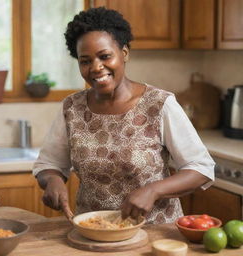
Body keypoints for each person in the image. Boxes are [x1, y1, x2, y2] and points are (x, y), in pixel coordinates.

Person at [33, 7, 215, 224]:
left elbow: (201, 168)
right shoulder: (71, 108)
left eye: (105, 56)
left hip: (153, 233)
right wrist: (52, 180)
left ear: (125, 53)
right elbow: (48, 164)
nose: (96, 67)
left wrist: (153, 190)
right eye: (85, 61)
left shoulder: (159, 104)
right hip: (92, 231)